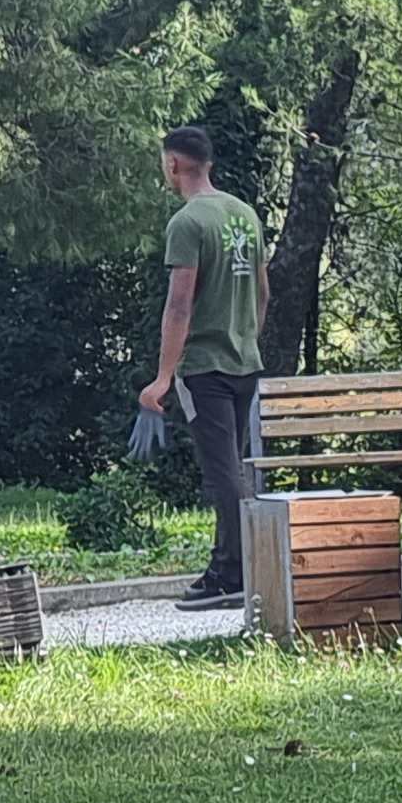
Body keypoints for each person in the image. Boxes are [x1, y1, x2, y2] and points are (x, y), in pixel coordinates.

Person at [133, 127, 269, 611]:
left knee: (222, 474)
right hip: (244, 361)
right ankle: (229, 564)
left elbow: (179, 305)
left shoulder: (188, 222)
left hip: (205, 367)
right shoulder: (244, 214)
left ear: (172, 164)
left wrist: (163, 378)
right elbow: (262, 291)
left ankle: (234, 573)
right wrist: (246, 338)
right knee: (235, 469)